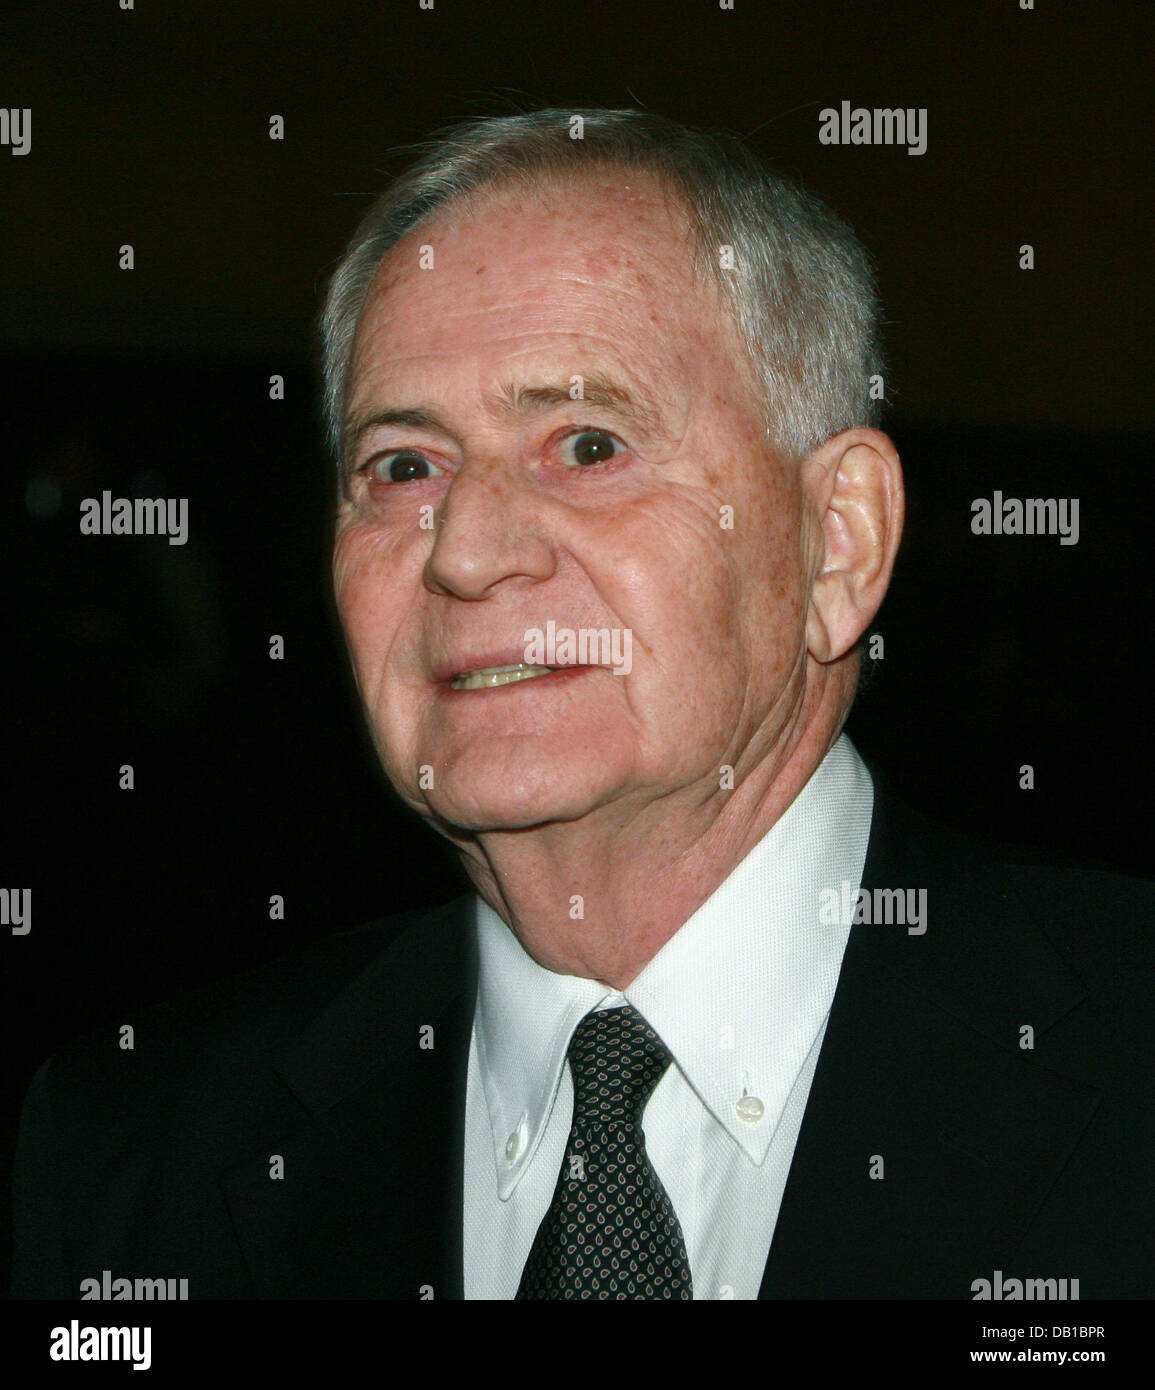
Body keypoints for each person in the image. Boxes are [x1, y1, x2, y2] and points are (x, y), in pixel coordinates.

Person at [11, 109, 1151, 1300]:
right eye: (404, 467)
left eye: (588, 443)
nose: (467, 552)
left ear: (836, 543)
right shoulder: (133, 1155)